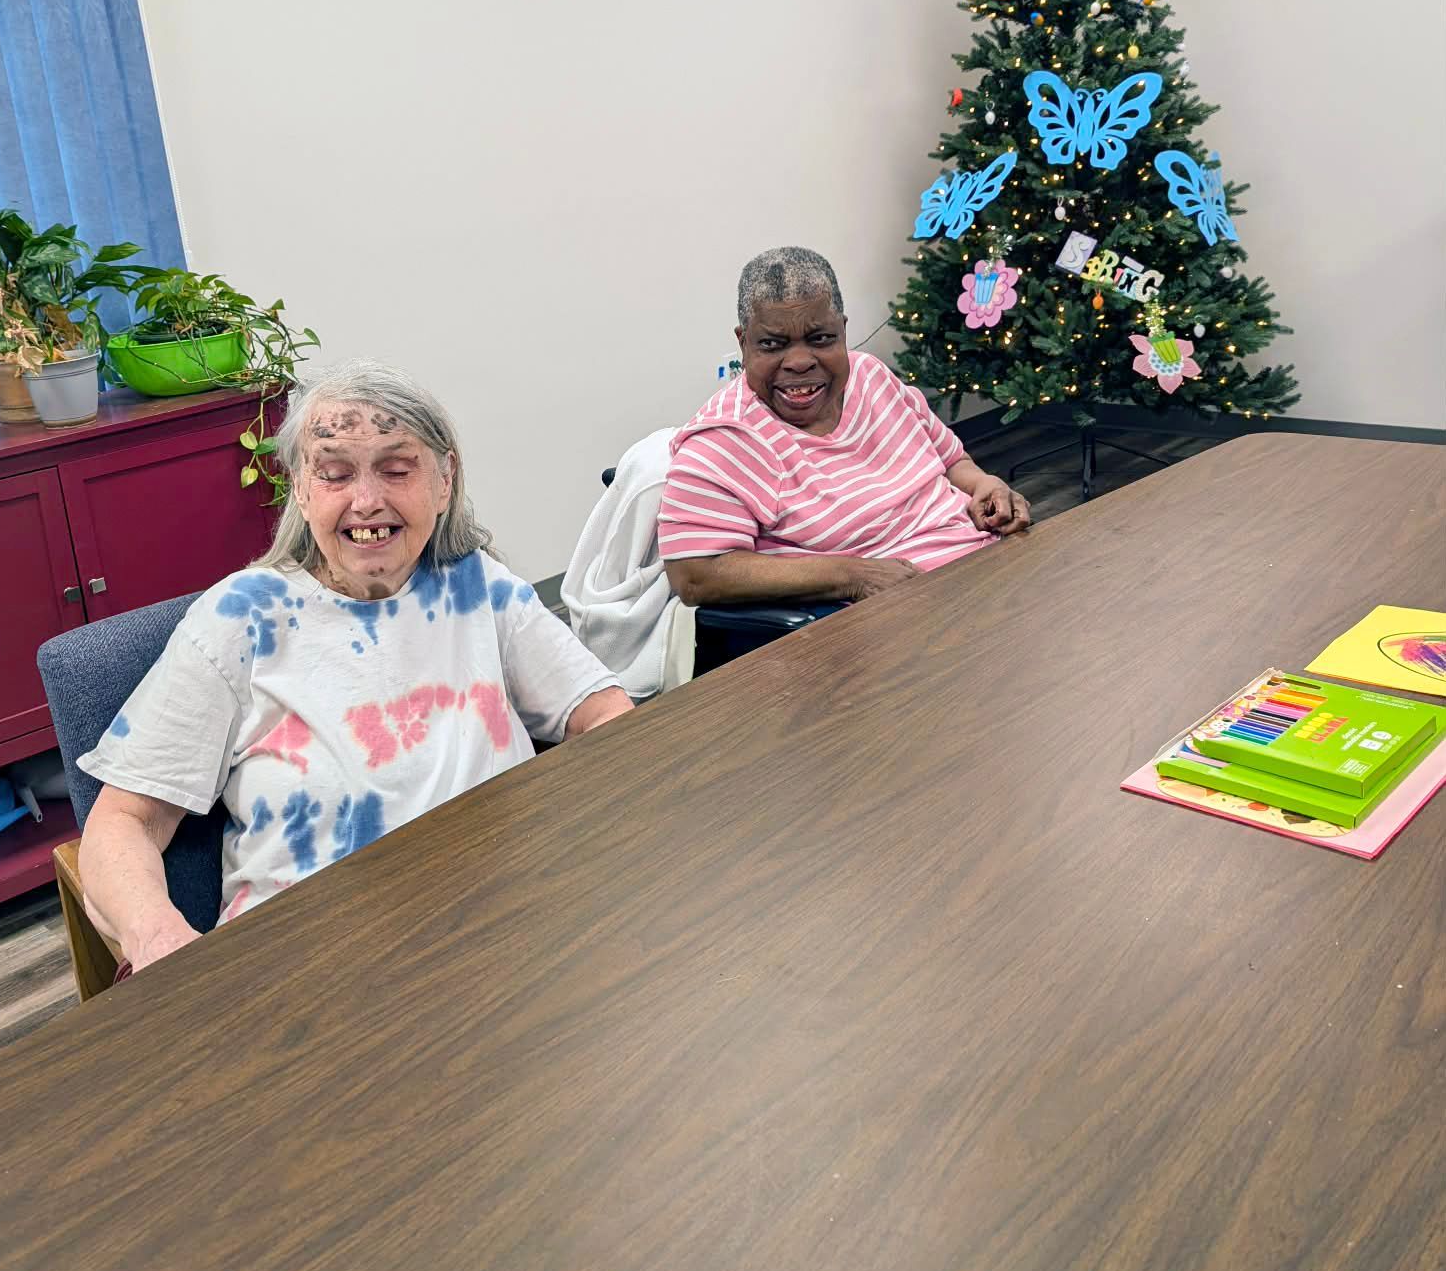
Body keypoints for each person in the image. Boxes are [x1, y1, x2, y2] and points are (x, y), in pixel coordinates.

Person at [79, 360, 632, 970]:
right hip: (315, 964)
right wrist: (159, 938)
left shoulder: (477, 587)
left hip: (505, 928)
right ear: (300, 487)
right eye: (336, 474)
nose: (367, 502)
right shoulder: (243, 619)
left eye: (398, 469)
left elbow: (604, 713)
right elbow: (123, 821)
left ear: (444, 480)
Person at [659, 247, 1031, 606]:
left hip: (989, 564)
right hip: (899, 614)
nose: (800, 362)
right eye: (773, 344)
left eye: (820, 339)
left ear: (843, 330)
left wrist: (986, 485)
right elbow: (695, 575)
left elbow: (952, 461)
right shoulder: (724, 439)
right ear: (743, 342)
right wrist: (854, 577)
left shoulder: (871, 375)